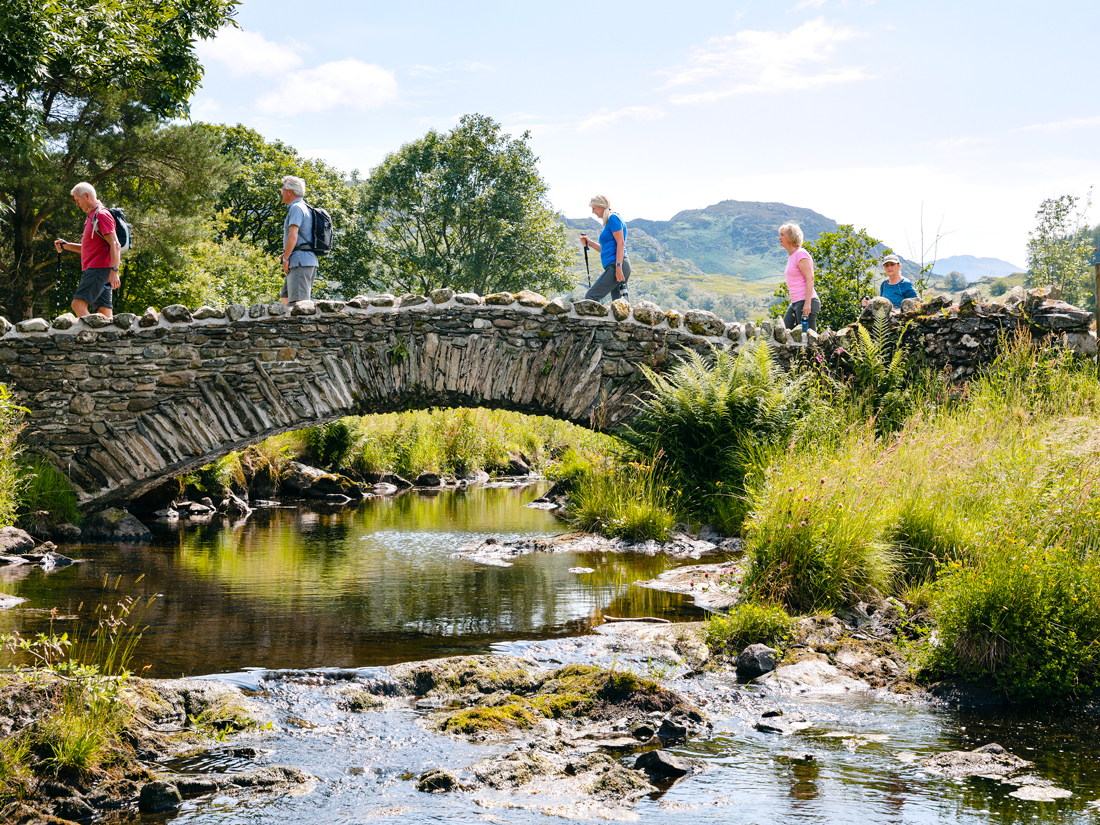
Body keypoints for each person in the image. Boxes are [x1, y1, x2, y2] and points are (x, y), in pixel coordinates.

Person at [53, 182, 122, 318]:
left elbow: (115, 244)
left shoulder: (101, 215)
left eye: (77, 200)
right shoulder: (92, 217)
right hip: (101, 270)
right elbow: (89, 249)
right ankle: (106, 339)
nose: (77, 204)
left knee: (78, 305)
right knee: (105, 314)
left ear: (86, 196)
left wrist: (115, 271)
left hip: (97, 269)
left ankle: (90, 337)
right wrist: (66, 246)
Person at [581, 195, 630, 302]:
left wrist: (618, 268)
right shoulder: (611, 220)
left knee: (591, 296)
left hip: (617, 265)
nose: (593, 212)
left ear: (601, 206)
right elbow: (606, 250)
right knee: (619, 305)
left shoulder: (613, 218)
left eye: (594, 208)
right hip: (617, 265)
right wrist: (589, 242)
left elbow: (621, 243)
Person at [279, 175, 318, 305]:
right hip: (303, 259)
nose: (281, 192)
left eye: (283, 189)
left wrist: (286, 258)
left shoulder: (296, 208)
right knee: (285, 298)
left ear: (290, 192)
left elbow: (293, 235)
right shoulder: (306, 207)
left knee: (298, 305)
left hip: (299, 262)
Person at [779, 222, 818, 331]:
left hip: (805, 302)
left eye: (782, 235)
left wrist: (807, 304)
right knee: (783, 333)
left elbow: (810, 278)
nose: (779, 237)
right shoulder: (792, 256)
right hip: (795, 303)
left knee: (807, 341)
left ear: (791, 238)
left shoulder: (800, 254)